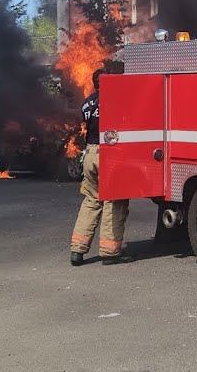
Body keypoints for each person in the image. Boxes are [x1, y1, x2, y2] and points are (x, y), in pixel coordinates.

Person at [69, 67, 132, 266]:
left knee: (91, 200)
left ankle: (77, 251)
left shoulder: (87, 103)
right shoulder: (114, 100)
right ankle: (109, 252)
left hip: (90, 154)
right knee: (114, 200)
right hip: (108, 153)